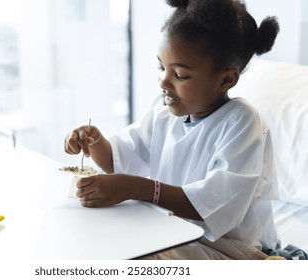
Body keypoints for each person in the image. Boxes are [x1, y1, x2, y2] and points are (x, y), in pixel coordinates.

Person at [64, 0, 280, 259]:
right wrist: (94, 141)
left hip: (232, 250)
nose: (163, 82)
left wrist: (136, 188)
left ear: (226, 79)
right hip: (178, 232)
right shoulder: (164, 117)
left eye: (180, 75)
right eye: (161, 67)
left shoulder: (243, 122)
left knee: (141, 258)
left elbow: (213, 206)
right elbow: (115, 160)